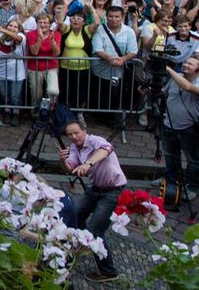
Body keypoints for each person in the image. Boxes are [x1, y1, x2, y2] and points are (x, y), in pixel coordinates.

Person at [60, 120, 126, 284]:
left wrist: (89, 163)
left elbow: (107, 149)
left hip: (111, 190)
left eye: (77, 132)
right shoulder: (75, 148)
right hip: (95, 188)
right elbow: (70, 168)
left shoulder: (95, 141)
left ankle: (108, 271)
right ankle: (82, 243)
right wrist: (62, 160)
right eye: (70, 134)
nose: (74, 137)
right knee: (75, 214)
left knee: (95, 230)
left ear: (84, 130)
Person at [162, 55, 199, 202]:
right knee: (170, 155)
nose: (186, 65)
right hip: (169, 124)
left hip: (189, 129)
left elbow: (188, 87)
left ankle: (192, 186)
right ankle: (171, 181)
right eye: (185, 62)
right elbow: (165, 92)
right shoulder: (175, 78)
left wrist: (169, 69)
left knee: (192, 160)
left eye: (191, 64)